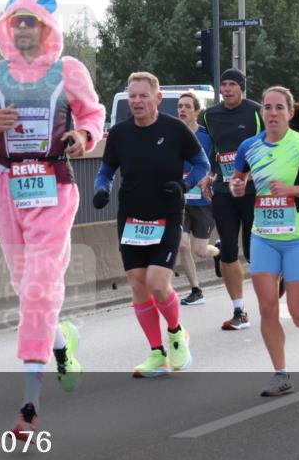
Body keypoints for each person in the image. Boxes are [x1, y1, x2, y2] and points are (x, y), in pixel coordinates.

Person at [0, 0, 105, 438]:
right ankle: (61, 342)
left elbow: (94, 116)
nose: (22, 29)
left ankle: (30, 402)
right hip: (6, 186)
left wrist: (81, 134)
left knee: (40, 284)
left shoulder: (69, 71)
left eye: (31, 23)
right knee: (28, 289)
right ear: (6, 28)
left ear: (46, 29)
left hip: (53, 185)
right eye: (16, 22)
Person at [92, 72, 208, 377]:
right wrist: (101, 189)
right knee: (138, 284)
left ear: (157, 98)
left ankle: (176, 333)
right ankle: (157, 353)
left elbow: (202, 164)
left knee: (158, 282)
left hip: (168, 213)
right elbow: (105, 171)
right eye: (132, 96)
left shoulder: (175, 130)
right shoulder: (120, 133)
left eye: (143, 96)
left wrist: (185, 185)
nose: (137, 102)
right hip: (131, 217)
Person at [229, 86, 299, 397]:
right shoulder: (248, 147)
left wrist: (291, 189)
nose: (272, 113)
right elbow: (239, 180)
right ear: (261, 113)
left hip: (298, 238)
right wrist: (237, 186)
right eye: (267, 108)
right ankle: (280, 374)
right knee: (267, 307)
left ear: (289, 113)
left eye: (278, 108)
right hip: (264, 238)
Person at [197, 68, 263, 330]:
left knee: (253, 251)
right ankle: (239, 311)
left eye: (231, 85)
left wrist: (251, 175)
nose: (226, 89)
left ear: (242, 87)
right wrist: (210, 175)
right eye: (223, 84)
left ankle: (272, 290)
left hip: (255, 192)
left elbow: (272, 144)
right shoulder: (210, 115)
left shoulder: (257, 112)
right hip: (224, 191)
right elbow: (214, 150)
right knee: (228, 251)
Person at [175, 91, 220, 305]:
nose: (182, 110)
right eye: (180, 106)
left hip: (202, 200)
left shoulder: (207, 137)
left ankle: (218, 251)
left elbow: (216, 164)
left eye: (187, 106)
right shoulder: (173, 134)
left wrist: (211, 178)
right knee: (182, 245)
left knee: (200, 251)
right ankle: (196, 290)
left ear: (197, 111)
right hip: (181, 199)